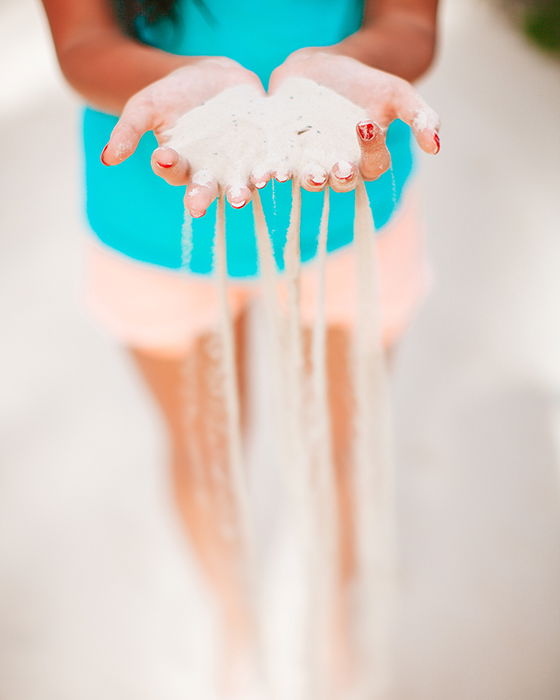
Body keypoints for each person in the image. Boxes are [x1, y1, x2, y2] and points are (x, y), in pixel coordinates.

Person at [41, 0, 440, 685]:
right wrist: (176, 79)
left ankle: (335, 624)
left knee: (344, 443)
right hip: (156, 213)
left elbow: (412, 24)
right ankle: (234, 618)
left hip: (349, 193)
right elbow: (80, 38)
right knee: (205, 453)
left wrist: (351, 70)